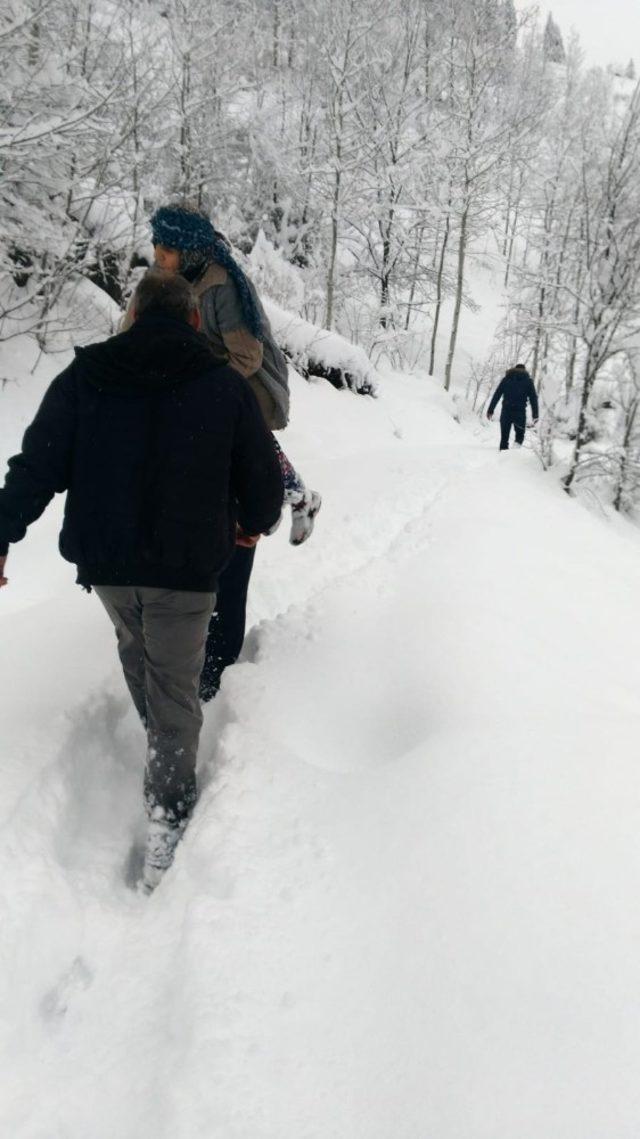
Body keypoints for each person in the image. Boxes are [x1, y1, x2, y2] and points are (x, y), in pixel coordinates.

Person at [0, 269, 283, 892]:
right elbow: (261, 471)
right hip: (185, 569)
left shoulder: (84, 376)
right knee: (177, 686)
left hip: (108, 565)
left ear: (131, 315)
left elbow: (37, 464)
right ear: (193, 320)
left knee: (138, 652)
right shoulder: (223, 384)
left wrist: (3, 531)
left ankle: (163, 747)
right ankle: (168, 810)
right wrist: (255, 523)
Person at [137, 201, 321, 702]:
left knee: (250, 456)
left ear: (190, 249)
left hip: (244, 386)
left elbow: (247, 355)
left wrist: (199, 385)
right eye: (156, 245)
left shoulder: (218, 284)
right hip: (201, 391)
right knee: (249, 459)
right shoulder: (167, 281)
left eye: (167, 248)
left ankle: (291, 497)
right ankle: (298, 493)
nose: (158, 254)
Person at [487, 363, 539, 450]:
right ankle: (514, 455)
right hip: (520, 412)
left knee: (504, 437)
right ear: (524, 370)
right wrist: (535, 414)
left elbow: (497, 394)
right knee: (519, 436)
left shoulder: (506, 379)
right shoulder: (528, 381)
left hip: (506, 411)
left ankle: (503, 456)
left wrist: (490, 410)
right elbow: (533, 398)